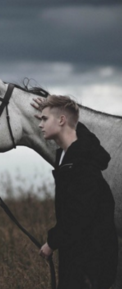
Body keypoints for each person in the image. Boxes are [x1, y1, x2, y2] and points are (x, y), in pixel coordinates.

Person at [31, 95, 118, 289]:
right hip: (77, 258)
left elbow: (78, 214)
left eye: (44, 119)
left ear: (61, 120)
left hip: (91, 265)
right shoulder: (67, 156)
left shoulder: (82, 163)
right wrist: (55, 107)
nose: (40, 125)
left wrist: (51, 242)